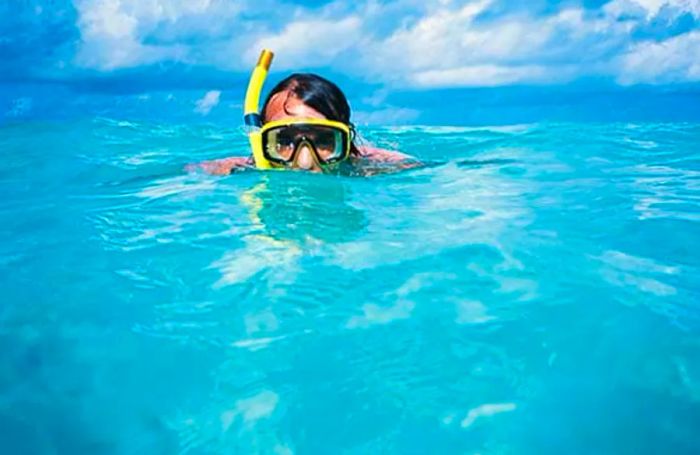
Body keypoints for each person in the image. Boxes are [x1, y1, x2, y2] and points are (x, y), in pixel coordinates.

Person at [189, 50, 419, 176]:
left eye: (324, 141)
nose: (305, 162)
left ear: (346, 143)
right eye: (285, 141)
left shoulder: (368, 165)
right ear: (262, 142)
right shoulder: (240, 168)